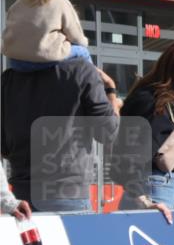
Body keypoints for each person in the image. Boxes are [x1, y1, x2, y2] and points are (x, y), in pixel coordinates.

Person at [1, 53, 120, 212]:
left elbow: (4, 146)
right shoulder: (81, 71)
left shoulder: (7, 79)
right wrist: (111, 92)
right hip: (68, 193)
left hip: (22, 197)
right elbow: (108, 132)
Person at [119, 41, 174, 222]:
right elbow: (126, 153)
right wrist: (142, 199)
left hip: (159, 191)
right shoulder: (148, 101)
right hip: (152, 191)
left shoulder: (159, 102)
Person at [1, 0, 91, 71]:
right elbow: (77, 39)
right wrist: (83, 41)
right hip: (47, 59)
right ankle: (97, 84)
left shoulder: (16, 5)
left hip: (17, 62)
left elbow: (8, 33)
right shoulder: (61, 3)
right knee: (83, 51)